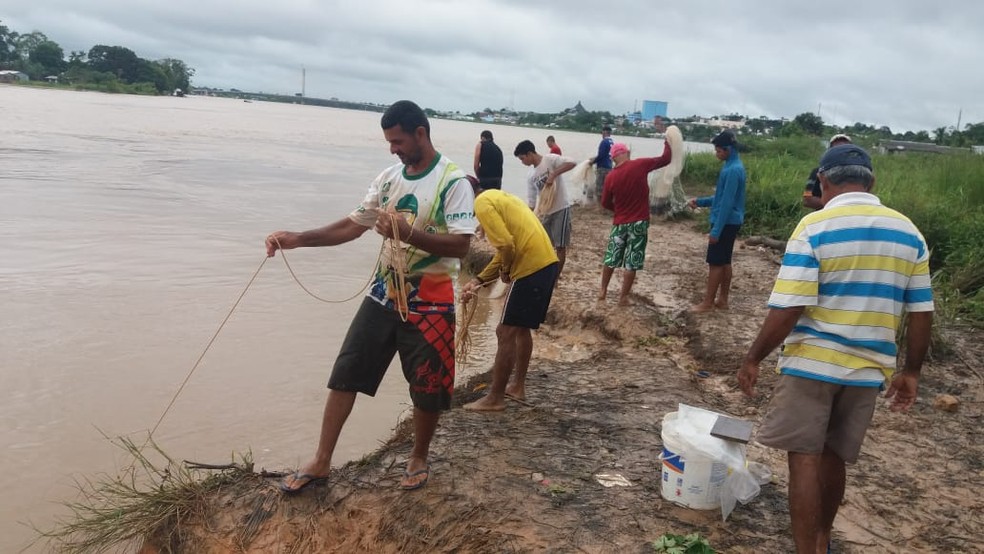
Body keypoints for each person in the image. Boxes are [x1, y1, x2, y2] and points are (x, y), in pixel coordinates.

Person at [266, 100, 476, 493]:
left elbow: (462, 247)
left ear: (420, 133)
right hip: (383, 294)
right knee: (346, 372)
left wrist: (409, 234)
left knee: (429, 386)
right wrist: (297, 239)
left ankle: (418, 457)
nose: (393, 149)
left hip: (432, 301)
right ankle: (322, 460)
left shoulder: (454, 182)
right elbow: (351, 226)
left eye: (397, 141)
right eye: (388, 142)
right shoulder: (388, 178)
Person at [738, 144, 933, 553]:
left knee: (803, 457)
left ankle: (808, 550)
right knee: (833, 456)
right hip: (868, 369)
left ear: (823, 182)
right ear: (871, 182)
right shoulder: (909, 233)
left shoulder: (814, 227)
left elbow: (790, 306)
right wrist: (910, 372)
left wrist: (754, 357)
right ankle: (824, 539)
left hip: (813, 362)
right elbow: (920, 312)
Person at [461, 176, 560, 411]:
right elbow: (504, 248)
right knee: (520, 329)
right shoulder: (499, 197)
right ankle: (517, 386)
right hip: (547, 265)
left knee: (504, 331)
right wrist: (478, 280)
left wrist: (506, 270)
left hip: (530, 269)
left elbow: (506, 246)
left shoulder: (482, 203)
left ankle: (495, 398)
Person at [599, 141, 672, 305]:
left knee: (611, 257)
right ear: (625, 153)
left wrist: (617, 210)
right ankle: (623, 297)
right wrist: (668, 140)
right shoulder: (640, 165)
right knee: (632, 261)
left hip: (620, 223)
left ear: (613, 158)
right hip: (639, 222)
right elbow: (666, 159)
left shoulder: (611, 177)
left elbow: (604, 202)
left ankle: (603, 290)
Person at [689, 130, 745, 312]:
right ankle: (722, 300)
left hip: (726, 222)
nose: (716, 154)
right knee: (725, 261)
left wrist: (715, 231)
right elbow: (721, 197)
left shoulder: (733, 170)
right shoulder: (732, 166)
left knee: (716, 263)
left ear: (727, 149)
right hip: (731, 221)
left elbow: (727, 203)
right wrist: (701, 201)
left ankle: (707, 302)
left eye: (718, 151)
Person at [514, 139, 576, 279]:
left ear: (530, 154)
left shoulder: (550, 159)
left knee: (560, 246)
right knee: (543, 245)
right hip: (546, 212)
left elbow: (572, 162)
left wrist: (554, 174)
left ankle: (555, 278)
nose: (522, 162)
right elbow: (531, 201)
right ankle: (544, 274)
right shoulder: (531, 175)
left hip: (561, 208)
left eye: (523, 158)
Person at [803, 134, 853, 210]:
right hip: (823, 218)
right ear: (830, 151)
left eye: (844, 149)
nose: (841, 152)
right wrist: (837, 205)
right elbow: (807, 200)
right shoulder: (818, 172)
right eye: (837, 149)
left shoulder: (858, 173)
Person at [588, 125, 615, 205]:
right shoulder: (612, 142)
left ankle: (600, 205)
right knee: (606, 187)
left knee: (599, 187)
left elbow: (601, 156)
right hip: (609, 167)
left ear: (605, 132)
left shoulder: (604, 142)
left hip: (603, 167)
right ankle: (606, 203)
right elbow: (607, 155)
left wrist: (592, 162)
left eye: (602, 132)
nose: (601, 134)